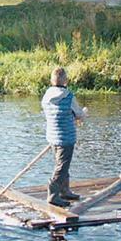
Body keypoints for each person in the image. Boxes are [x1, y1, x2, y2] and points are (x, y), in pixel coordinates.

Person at [42, 67, 88, 207]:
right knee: (62, 166)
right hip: (66, 136)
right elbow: (79, 114)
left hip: (52, 136)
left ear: (52, 80)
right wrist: (84, 112)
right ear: (66, 81)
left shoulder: (46, 96)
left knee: (62, 164)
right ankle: (53, 194)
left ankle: (64, 190)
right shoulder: (68, 96)